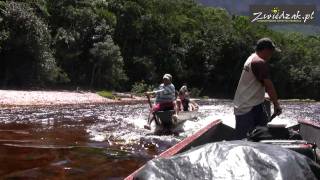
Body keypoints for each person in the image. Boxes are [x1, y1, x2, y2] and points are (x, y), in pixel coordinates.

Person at [233, 37, 282, 140]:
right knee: (243, 141)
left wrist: (263, 95)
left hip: (254, 104)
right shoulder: (259, 62)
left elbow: (253, 83)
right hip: (247, 108)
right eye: (271, 52)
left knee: (262, 133)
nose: (271, 55)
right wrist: (276, 105)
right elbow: (269, 86)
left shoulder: (251, 58)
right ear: (265, 50)